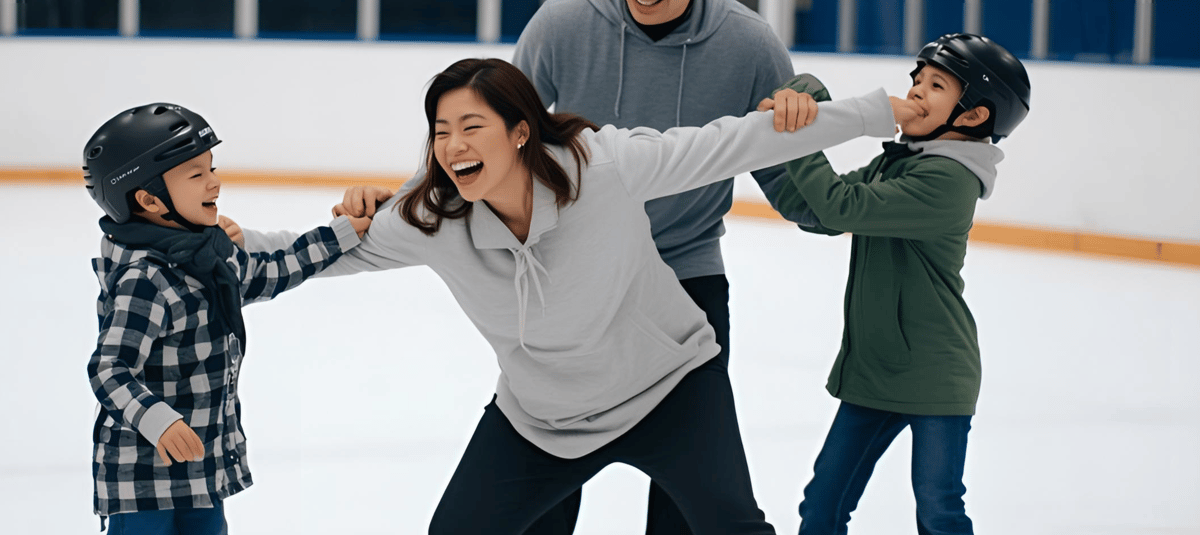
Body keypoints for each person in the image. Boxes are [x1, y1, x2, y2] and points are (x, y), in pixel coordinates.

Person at [287, 57, 916, 534]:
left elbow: (729, 143)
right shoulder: (432, 217)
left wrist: (875, 112)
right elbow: (323, 253)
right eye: (440, 130)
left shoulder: (603, 166)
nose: (452, 145)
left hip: (670, 389)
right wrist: (218, 248)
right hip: (542, 421)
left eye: (471, 126)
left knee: (732, 527)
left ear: (520, 132)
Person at [512, 0, 798, 531]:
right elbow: (500, 146)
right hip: (573, 289)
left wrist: (821, 140)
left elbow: (798, 193)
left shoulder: (751, 48)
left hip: (687, 290)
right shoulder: (563, 24)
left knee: (694, 501)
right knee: (540, 489)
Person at [766, 34, 1032, 535]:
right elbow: (815, 214)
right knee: (822, 506)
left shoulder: (948, 182)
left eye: (935, 85)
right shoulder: (901, 160)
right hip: (875, 370)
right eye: (916, 79)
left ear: (973, 116)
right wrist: (781, 127)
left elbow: (839, 205)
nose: (915, 91)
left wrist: (808, 120)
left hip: (934, 374)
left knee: (939, 512)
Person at [83, 103, 368, 534]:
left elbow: (271, 271)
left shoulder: (207, 257)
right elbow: (110, 370)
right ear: (148, 199)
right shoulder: (145, 280)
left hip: (200, 468)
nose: (215, 182)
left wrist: (343, 232)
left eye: (211, 168)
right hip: (142, 476)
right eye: (196, 174)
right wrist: (159, 420)